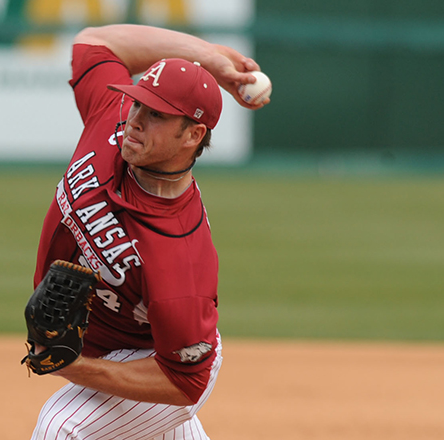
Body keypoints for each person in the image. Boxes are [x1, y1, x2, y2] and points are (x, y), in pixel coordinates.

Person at [30, 24, 269, 440]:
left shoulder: (178, 250)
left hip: (164, 363)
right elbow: (95, 41)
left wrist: (74, 366)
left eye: (156, 114)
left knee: (63, 427)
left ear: (193, 136)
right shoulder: (113, 121)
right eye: (138, 104)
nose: (135, 121)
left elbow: (183, 381)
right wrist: (208, 56)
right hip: (118, 346)